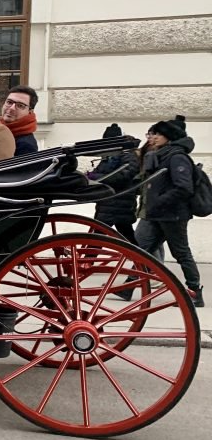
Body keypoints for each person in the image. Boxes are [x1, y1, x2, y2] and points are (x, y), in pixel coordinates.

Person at [135, 115, 203, 307]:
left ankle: (195, 291)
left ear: (168, 137)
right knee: (141, 249)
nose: (153, 137)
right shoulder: (160, 154)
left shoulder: (177, 157)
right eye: (152, 133)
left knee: (181, 252)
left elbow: (184, 187)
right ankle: (128, 286)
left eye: (158, 134)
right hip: (157, 213)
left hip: (173, 215)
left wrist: (159, 201)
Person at [87, 123, 139, 243]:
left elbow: (122, 176)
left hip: (119, 201)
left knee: (100, 236)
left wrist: (95, 176)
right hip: (109, 202)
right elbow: (100, 172)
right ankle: (141, 260)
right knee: (126, 237)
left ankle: (142, 260)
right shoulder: (109, 156)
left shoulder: (128, 156)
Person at [0, 85, 39, 155]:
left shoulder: (26, 146)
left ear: (30, 111)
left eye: (20, 105)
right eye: (9, 102)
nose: (12, 108)